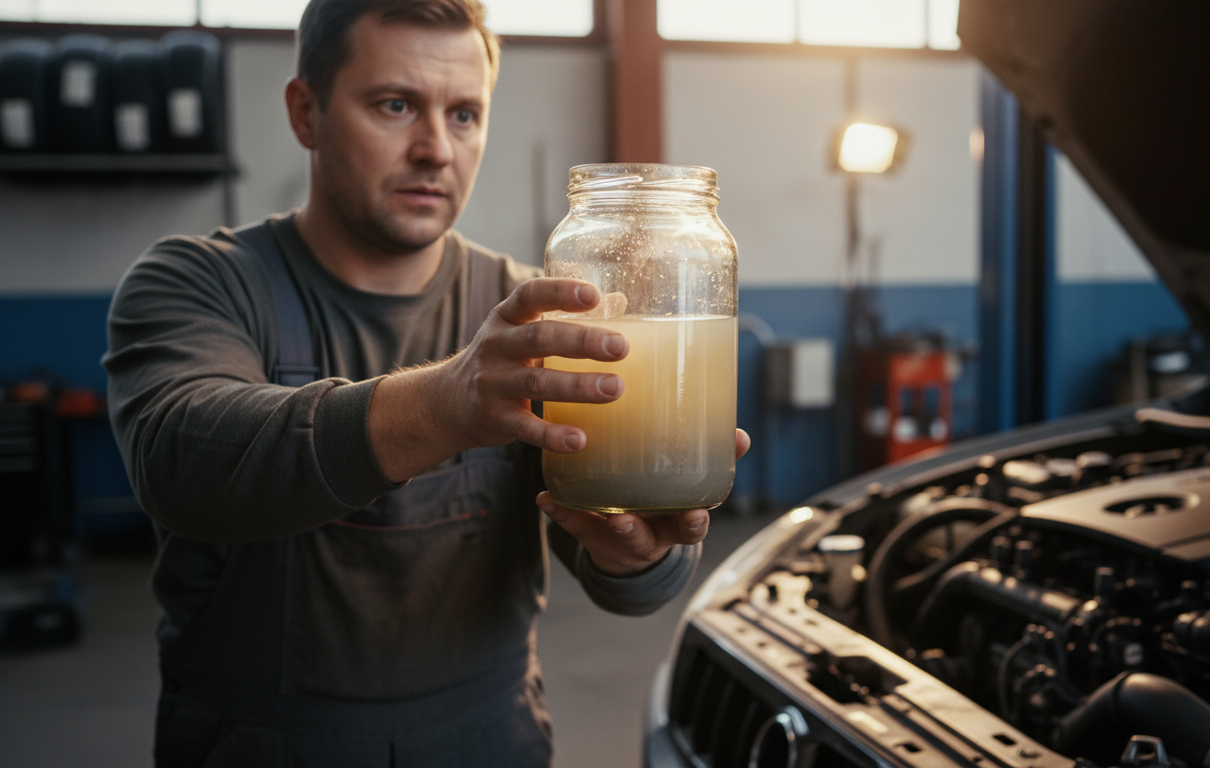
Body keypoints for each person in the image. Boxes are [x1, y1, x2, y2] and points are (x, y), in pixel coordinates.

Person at [102, 0, 748, 765]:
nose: (436, 148)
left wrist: (636, 552)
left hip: (486, 742)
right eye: (395, 105)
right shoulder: (193, 283)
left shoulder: (525, 309)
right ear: (306, 112)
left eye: (466, 114)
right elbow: (184, 461)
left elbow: (626, 583)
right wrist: (449, 402)